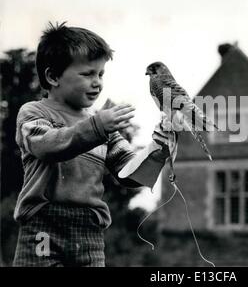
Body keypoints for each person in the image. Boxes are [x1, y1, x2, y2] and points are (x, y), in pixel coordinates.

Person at [12, 22, 176, 266]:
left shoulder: (101, 127)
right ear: (53, 76)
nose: (97, 82)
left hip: (90, 232)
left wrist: (158, 148)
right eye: (88, 74)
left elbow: (128, 173)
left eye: (100, 74)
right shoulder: (34, 113)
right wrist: (98, 126)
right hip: (43, 226)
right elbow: (48, 146)